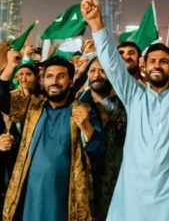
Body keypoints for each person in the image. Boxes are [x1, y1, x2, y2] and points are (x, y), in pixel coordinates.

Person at [86, 0, 169, 220]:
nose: (157, 65)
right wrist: (96, 24)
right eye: (153, 61)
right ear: (143, 67)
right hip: (135, 193)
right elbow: (113, 65)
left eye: (164, 61)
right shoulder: (134, 96)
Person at [0, 52, 105, 221]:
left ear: (71, 81)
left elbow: (98, 149)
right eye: (49, 76)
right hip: (30, 197)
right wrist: (11, 66)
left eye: (61, 76)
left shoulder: (84, 111)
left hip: (66, 199)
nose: (54, 82)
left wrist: (86, 126)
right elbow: (3, 99)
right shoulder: (31, 107)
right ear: (42, 81)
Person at [80, 54, 127, 221]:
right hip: (88, 181)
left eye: (102, 70)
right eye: (92, 70)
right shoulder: (78, 106)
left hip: (120, 181)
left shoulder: (125, 104)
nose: (96, 75)